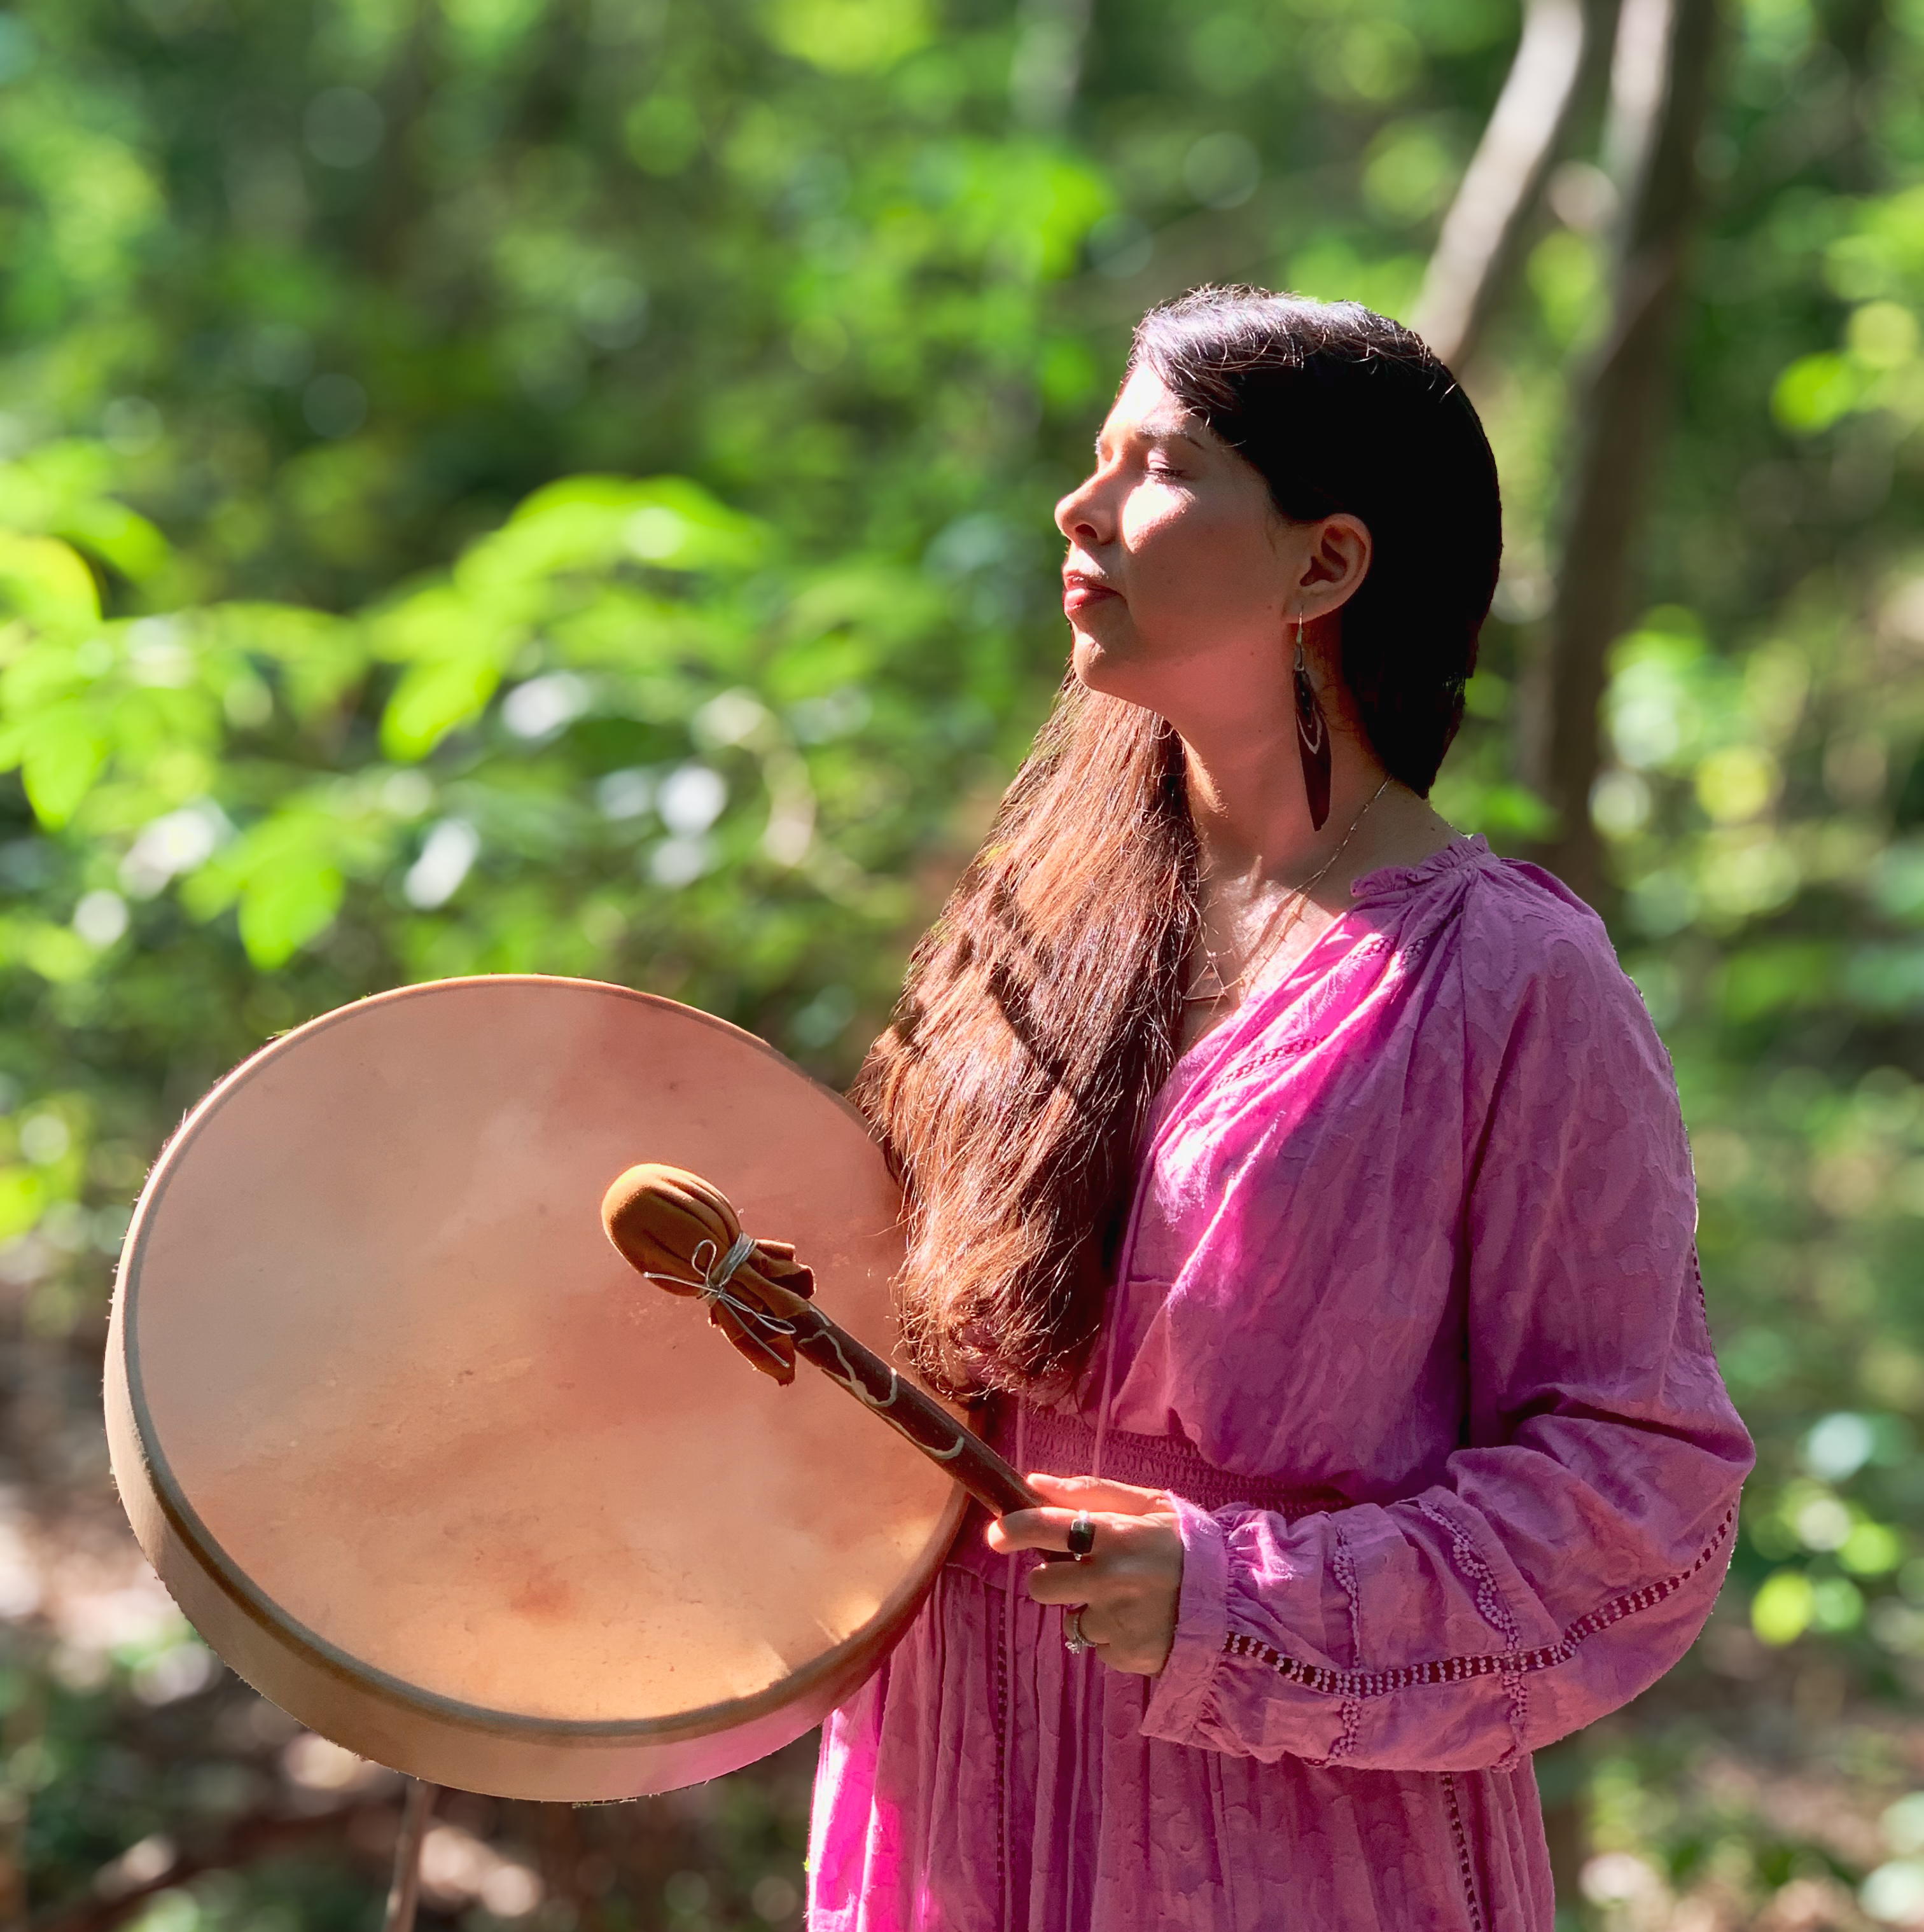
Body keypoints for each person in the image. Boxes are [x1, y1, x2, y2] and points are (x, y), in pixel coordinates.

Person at [807, 286, 1753, 1930]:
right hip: (954, 1788)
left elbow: (1638, 1493)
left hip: (1289, 1842)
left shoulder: (1510, 980)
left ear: (1326, 565)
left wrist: (1241, 1599)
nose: (1080, 507)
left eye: (1158, 468)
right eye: (1096, 457)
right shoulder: (1032, 932)